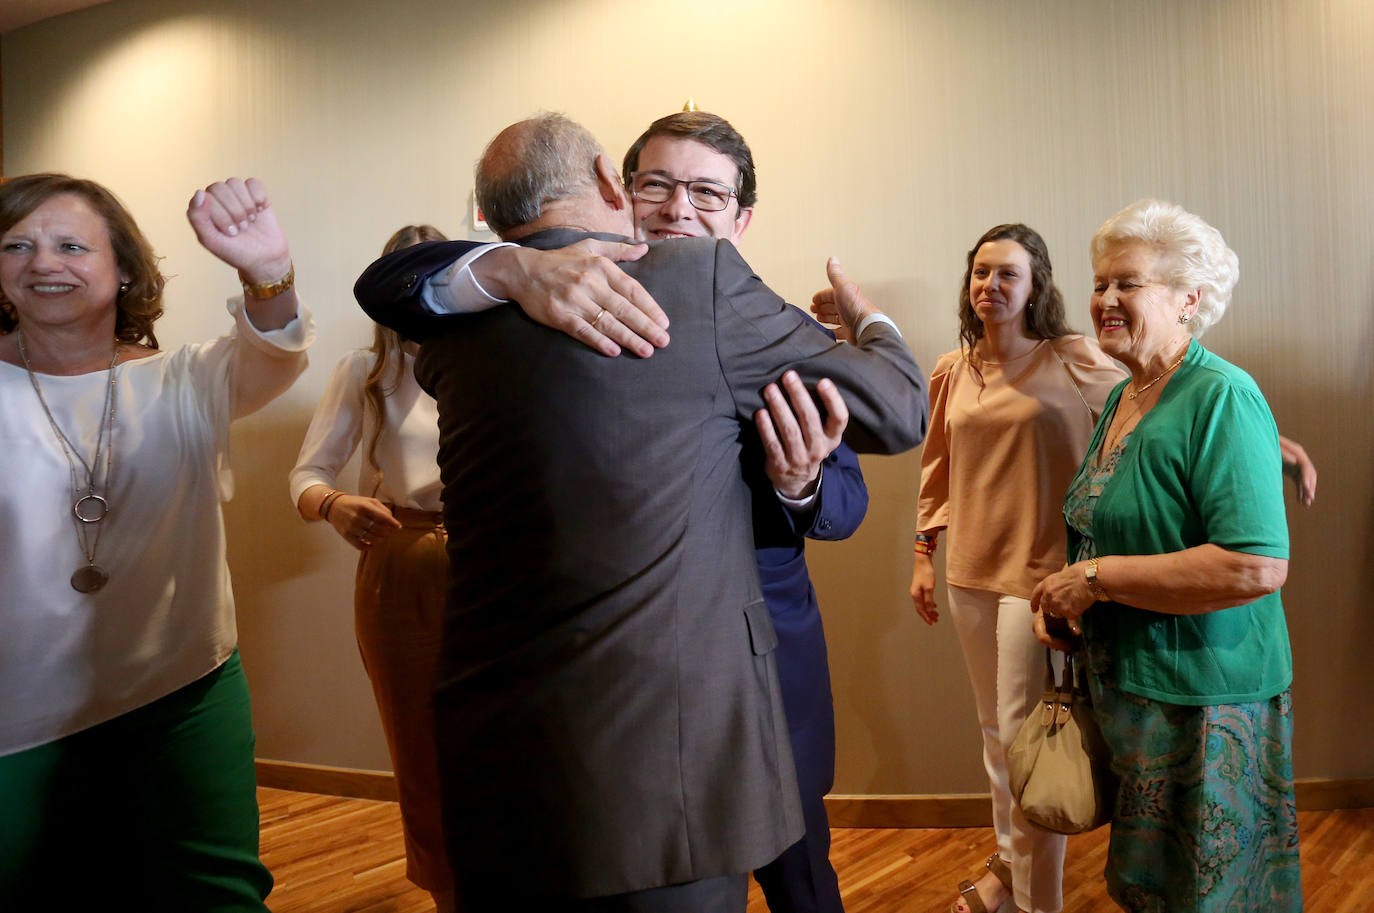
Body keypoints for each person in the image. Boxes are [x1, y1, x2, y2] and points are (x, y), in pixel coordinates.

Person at [354, 112, 928, 911]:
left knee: (803, 884)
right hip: (660, 739)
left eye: (705, 192)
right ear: (615, 187)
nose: (677, 209)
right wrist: (518, 267)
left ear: (743, 218)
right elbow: (394, 279)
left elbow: (845, 503)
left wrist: (796, 485)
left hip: (753, 667)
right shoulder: (520, 286)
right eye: (656, 184)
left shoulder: (752, 311)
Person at [0, 174, 311, 909]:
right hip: (17, 706)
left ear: (125, 270)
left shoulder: (188, 377)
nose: (44, 262)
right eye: (16, 245)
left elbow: (276, 350)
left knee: (215, 895)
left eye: (72, 244)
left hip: (181, 689)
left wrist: (267, 271)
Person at [1030, 199, 1299, 912]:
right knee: (1151, 890)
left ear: (1190, 299)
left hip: (1207, 704)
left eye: (1129, 283)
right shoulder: (1126, 396)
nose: (1106, 299)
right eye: (1099, 283)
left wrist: (1094, 579)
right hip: (1138, 693)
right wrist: (1070, 602)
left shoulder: (1222, 396)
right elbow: (1107, 528)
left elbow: (1255, 565)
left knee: (1209, 894)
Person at [908, 224, 1122, 913]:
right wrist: (922, 552)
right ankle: (1012, 880)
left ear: (1035, 287)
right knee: (997, 740)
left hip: (1043, 579)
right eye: (981, 273)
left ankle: (1036, 901)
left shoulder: (1071, 357)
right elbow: (936, 468)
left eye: (1008, 274)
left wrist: (1266, 438)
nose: (991, 285)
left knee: (1025, 748)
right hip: (970, 571)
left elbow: (1158, 402)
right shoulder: (952, 369)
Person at [289, 224, 455, 910]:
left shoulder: (498, 359)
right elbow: (306, 472)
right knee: (420, 743)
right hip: (404, 566)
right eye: (405, 281)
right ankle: (448, 892)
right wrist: (331, 503)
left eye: (435, 279)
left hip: (498, 563)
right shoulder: (367, 372)